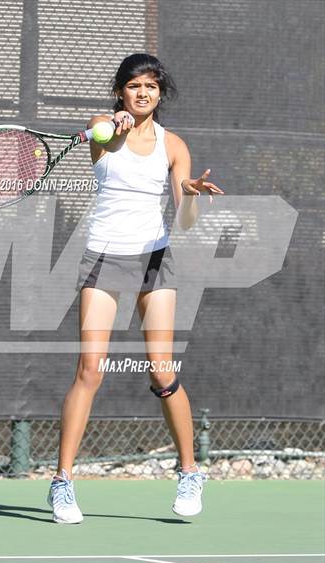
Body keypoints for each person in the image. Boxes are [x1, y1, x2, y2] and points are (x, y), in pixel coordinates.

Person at [47, 53, 224, 524]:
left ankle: (190, 472)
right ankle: (62, 482)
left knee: (162, 372)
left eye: (150, 85)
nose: (142, 92)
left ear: (160, 93)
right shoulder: (103, 127)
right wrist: (113, 125)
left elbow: (184, 219)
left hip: (154, 260)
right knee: (90, 370)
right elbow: (101, 141)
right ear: (120, 91)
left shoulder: (174, 146)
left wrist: (190, 195)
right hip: (103, 258)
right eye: (133, 86)